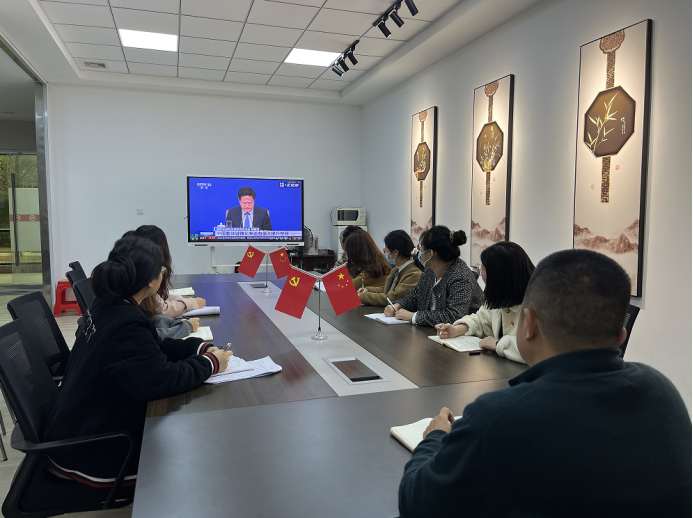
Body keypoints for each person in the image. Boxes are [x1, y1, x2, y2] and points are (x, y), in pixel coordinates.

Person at [398, 249, 692, 518]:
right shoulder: (663, 392)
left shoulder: (500, 416)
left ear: (530, 325)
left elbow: (417, 502)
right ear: (621, 337)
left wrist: (434, 438)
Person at [36, 237, 232, 507]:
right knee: (195, 461)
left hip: (74, 431)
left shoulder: (111, 304)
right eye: (162, 271)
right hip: (89, 456)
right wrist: (210, 364)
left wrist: (198, 348)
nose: (163, 274)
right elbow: (161, 381)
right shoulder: (125, 321)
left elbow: (151, 348)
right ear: (151, 282)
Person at [434, 241, 534, 363]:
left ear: (499, 276)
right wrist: (456, 330)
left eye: (482, 270)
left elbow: (537, 349)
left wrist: (498, 344)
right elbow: (481, 319)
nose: (481, 275)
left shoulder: (536, 305)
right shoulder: (501, 296)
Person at [385, 226, 484, 326]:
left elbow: (454, 316)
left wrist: (414, 316)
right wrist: (398, 305)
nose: (418, 251)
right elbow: (415, 297)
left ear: (430, 253)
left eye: (421, 248)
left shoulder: (460, 275)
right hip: (433, 331)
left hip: (466, 333)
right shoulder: (429, 272)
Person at [130, 225, 206, 319]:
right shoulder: (146, 275)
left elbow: (161, 299)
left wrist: (183, 300)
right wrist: (192, 303)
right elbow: (162, 310)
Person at [358, 230, 423, 306]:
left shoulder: (414, 274)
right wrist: (368, 290)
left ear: (396, 252)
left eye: (386, 251)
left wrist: (363, 297)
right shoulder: (397, 269)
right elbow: (387, 289)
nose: (386, 255)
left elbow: (393, 298)